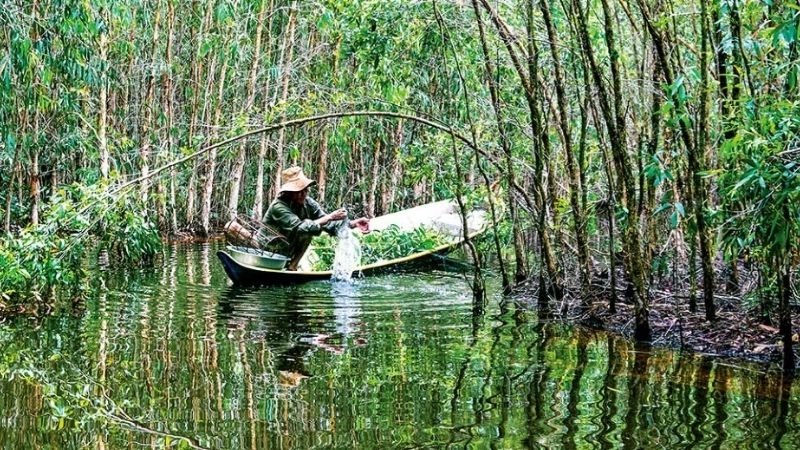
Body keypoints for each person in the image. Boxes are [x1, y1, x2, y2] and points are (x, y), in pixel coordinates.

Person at [263, 166, 370, 271]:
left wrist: (353, 224)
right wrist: (330, 217)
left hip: (287, 251)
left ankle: (293, 266)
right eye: (299, 191)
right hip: (268, 250)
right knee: (306, 230)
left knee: (309, 231)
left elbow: (327, 224)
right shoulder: (278, 207)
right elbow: (300, 227)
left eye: (305, 190)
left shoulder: (308, 203)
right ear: (289, 192)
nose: (303, 194)